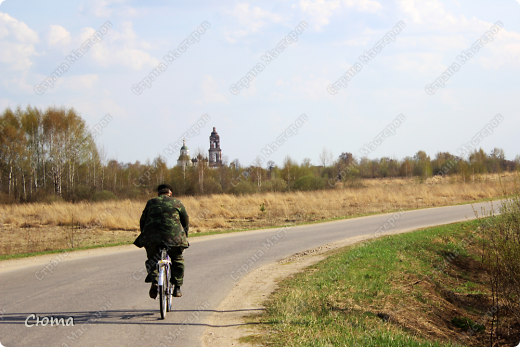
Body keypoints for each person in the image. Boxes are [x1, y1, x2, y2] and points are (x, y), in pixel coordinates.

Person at [134, 184, 189, 299]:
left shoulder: (151, 203)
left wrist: (145, 234)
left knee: (152, 260)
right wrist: (184, 236)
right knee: (178, 260)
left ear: (158, 194)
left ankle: (154, 281)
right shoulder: (177, 203)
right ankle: (177, 287)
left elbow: (143, 221)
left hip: (152, 238)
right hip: (174, 239)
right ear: (170, 193)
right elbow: (185, 221)